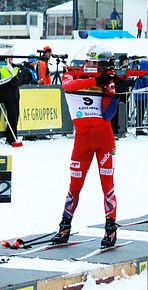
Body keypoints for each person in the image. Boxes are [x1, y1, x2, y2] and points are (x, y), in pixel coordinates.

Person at [49, 46, 121, 249]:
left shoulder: (107, 81)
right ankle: (64, 227)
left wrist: (113, 91)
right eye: (93, 63)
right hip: (82, 140)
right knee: (74, 185)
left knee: (107, 185)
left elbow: (108, 115)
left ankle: (110, 229)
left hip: (104, 139)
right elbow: (68, 87)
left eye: (99, 65)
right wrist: (96, 81)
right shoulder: (71, 74)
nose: (95, 67)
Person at [0, 55, 21, 145]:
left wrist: (14, 82)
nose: (10, 60)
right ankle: (12, 138)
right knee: (12, 116)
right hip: (6, 96)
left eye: (11, 58)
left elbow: (20, 80)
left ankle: (10, 135)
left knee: (16, 116)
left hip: (15, 95)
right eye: (8, 58)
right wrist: (9, 83)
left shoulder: (15, 68)